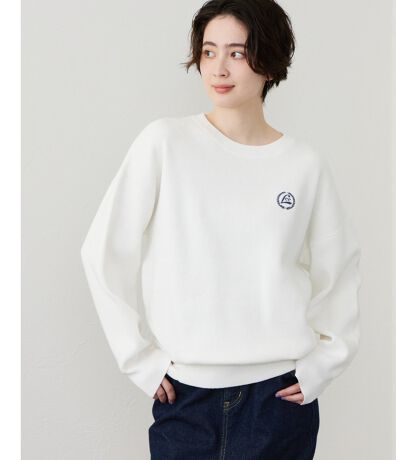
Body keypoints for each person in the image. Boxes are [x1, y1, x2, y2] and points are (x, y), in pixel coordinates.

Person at [80, 0, 362, 458]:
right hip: (185, 399)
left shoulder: (303, 165)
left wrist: (324, 364)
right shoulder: (164, 143)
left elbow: (340, 269)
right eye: (209, 51)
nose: (219, 68)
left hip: (278, 402)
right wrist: (139, 360)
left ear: (269, 60)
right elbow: (103, 253)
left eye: (237, 52)